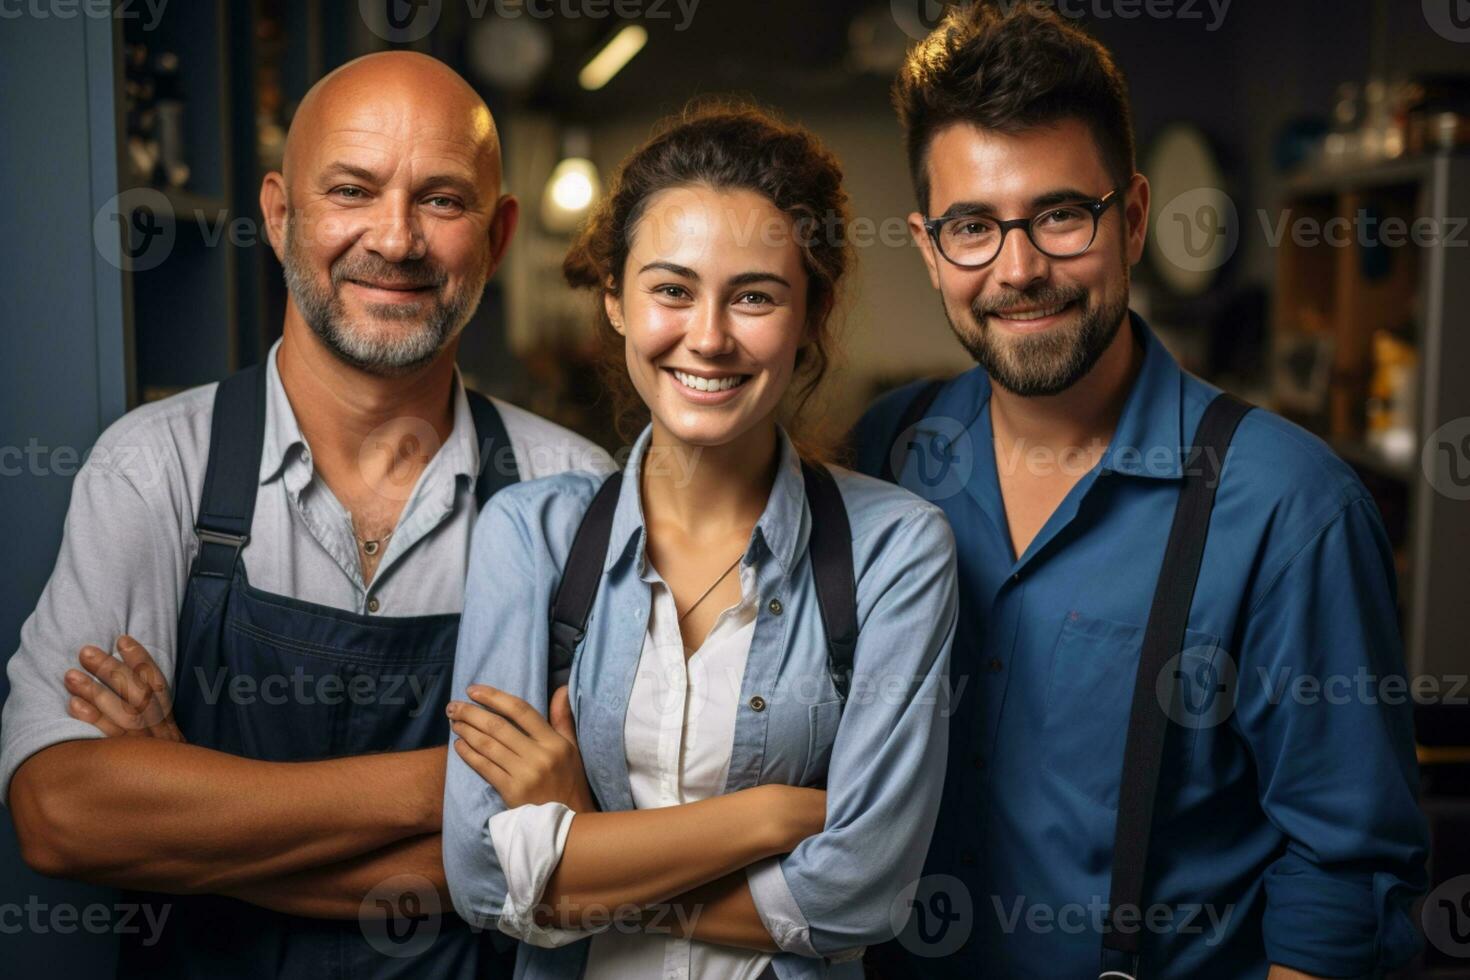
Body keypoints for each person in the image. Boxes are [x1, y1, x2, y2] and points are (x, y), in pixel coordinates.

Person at [849, 5, 1428, 979]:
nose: (1020, 268)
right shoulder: (886, 451)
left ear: (1136, 214)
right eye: (974, 226)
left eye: (1060, 214)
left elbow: (1348, 877)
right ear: (927, 242)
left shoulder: (1291, 507)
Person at [2, 51, 609, 978]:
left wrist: (195, 822)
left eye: (443, 200)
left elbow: (602, 845)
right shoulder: (156, 467)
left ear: (496, 236)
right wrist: (464, 785)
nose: (396, 239)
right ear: (281, 214)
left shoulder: (574, 494)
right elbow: (59, 813)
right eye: (353, 190)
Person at [441, 102, 960, 980]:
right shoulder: (530, 537)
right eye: (671, 290)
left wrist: (578, 856)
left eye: (754, 295)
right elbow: (482, 875)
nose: (709, 337)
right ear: (614, 299)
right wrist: (763, 823)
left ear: (811, 315)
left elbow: (862, 892)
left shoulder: (897, 553)